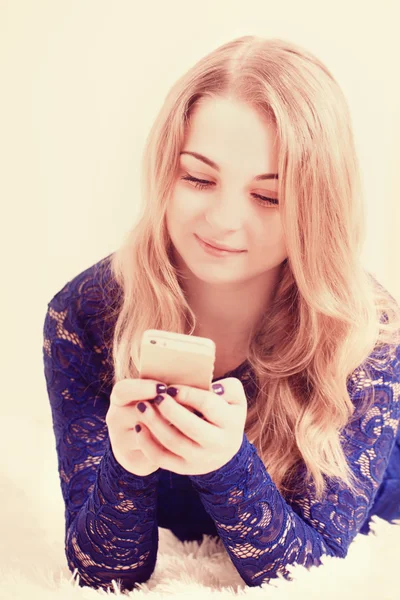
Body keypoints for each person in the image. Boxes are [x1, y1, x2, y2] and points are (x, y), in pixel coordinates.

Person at [42, 35, 400, 593]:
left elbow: (318, 574)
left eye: (269, 197)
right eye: (199, 178)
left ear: (316, 207)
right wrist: (127, 468)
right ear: (165, 171)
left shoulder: (363, 333)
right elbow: (99, 574)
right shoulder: (85, 315)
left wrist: (226, 462)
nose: (224, 221)